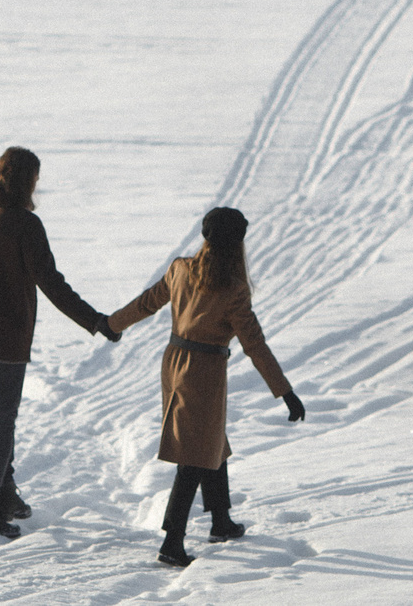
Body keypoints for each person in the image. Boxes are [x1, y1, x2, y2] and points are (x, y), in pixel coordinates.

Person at [107, 205, 306, 568]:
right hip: (204, 369)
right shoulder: (233, 289)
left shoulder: (180, 268)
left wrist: (113, 323)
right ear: (238, 244)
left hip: (174, 362)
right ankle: (172, 542)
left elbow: (148, 302)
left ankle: (221, 520)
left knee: (210, 439)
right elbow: (255, 344)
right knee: (195, 455)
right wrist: (286, 392)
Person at [0, 145, 120, 539]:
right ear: (24, 180)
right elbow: (52, 284)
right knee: (2, 421)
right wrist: (96, 321)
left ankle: (5, 495)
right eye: (35, 180)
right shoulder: (23, 224)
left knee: (1, 414)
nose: (37, 186)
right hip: (5, 338)